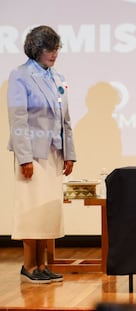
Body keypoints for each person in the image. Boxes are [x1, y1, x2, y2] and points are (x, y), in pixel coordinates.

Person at [7, 25, 76, 283]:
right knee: (32, 209)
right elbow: (18, 119)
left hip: (54, 153)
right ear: (36, 49)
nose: (54, 53)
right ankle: (29, 265)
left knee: (48, 211)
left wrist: (70, 153)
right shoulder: (20, 76)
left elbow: (65, 119)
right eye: (49, 48)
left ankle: (43, 264)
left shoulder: (57, 77)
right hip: (32, 154)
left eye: (56, 48)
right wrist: (24, 158)